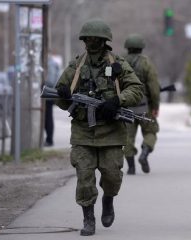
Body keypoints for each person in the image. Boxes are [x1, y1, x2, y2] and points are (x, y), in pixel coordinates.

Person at [54, 19, 144, 236]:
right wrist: (64, 96)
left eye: (96, 39)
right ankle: (88, 218)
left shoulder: (118, 64)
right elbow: (60, 93)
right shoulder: (76, 66)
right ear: (84, 40)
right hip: (83, 132)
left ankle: (108, 200)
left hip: (111, 132)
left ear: (105, 41)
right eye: (88, 39)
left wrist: (117, 101)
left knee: (112, 176)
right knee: (84, 178)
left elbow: (136, 89)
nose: (92, 42)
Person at [122, 33, 160, 175]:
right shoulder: (146, 63)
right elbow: (154, 88)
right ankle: (144, 154)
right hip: (145, 106)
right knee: (150, 131)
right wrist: (155, 107)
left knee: (127, 137)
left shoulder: (121, 62)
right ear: (141, 48)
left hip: (126, 106)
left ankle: (131, 167)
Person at [44, 54, 61, 147]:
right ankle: (49, 139)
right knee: (47, 117)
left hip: (48, 94)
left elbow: (50, 80)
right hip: (49, 94)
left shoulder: (49, 64)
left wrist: (42, 81)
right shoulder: (52, 63)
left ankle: (49, 139)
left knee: (48, 118)